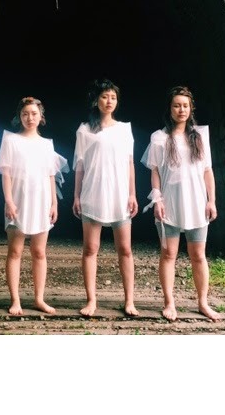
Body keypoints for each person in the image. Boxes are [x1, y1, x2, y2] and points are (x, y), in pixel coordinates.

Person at [141, 85, 220, 322]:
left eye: (185, 105)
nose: (181, 110)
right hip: (169, 204)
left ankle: (203, 302)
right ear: (170, 109)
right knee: (168, 254)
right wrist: (157, 200)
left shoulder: (200, 136)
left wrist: (211, 201)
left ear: (191, 108)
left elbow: (207, 171)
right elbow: (155, 171)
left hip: (197, 203)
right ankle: (169, 302)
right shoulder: (159, 138)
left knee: (198, 255)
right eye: (177, 105)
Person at [72, 79, 139, 317]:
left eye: (113, 97)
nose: (109, 101)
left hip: (120, 194)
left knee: (125, 249)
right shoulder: (85, 130)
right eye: (104, 96)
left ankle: (129, 301)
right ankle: (91, 300)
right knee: (90, 248)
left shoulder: (124, 129)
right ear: (96, 100)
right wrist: (76, 195)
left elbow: (130, 163)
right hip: (93, 192)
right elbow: (80, 166)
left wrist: (132, 194)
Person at [0, 97, 68, 316]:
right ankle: (15, 300)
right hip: (18, 200)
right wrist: (9, 201)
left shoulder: (46, 144)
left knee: (39, 251)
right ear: (20, 116)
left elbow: (50, 175)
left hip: (41, 200)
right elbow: (6, 174)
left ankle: (39, 299)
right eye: (25, 114)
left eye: (34, 113)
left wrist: (54, 203)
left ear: (41, 116)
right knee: (15, 251)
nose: (30, 118)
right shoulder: (11, 140)